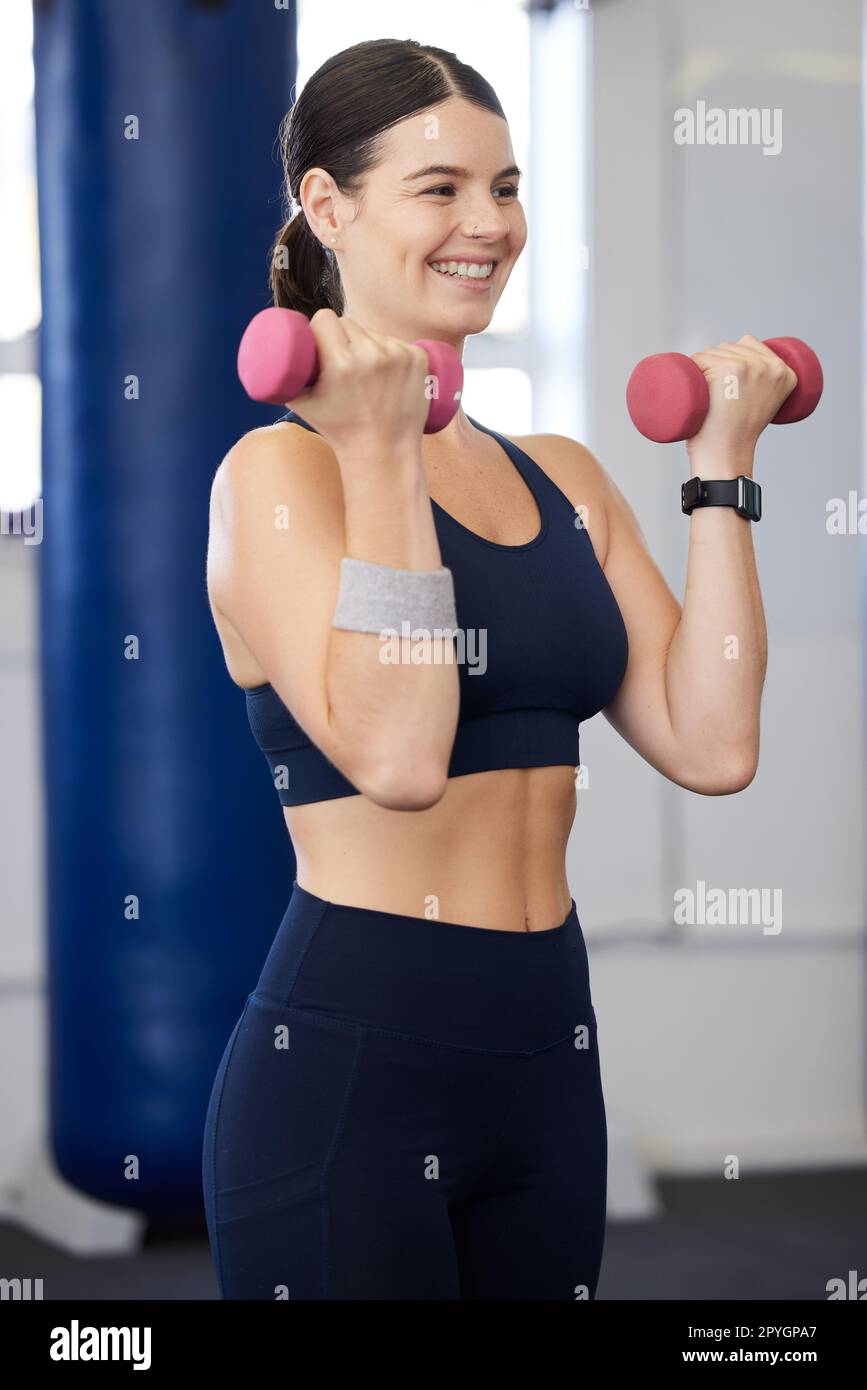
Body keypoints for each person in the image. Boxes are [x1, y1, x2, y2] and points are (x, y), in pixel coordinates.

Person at [201, 37, 794, 1301]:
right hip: (355, 1062)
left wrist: (718, 473)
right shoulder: (279, 479)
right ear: (328, 203)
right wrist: (377, 453)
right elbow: (403, 758)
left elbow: (714, 744)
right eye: (441, 188)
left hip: (544, 1052)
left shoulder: (564, 476)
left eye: (507, 185)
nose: (490, 224)